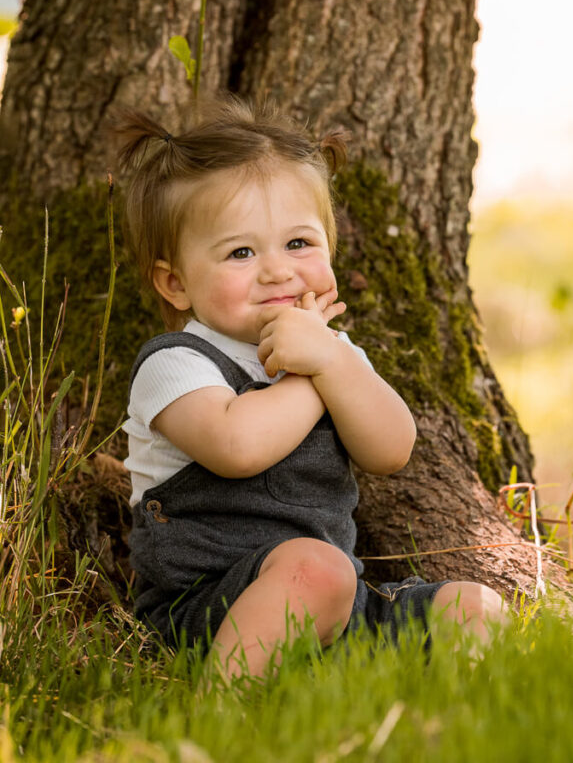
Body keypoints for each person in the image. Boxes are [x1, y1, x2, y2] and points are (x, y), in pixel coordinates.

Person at [116, 97, 505, 679]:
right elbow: (238, 446)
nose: (277, 270)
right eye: (241, 252)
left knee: (478, 607)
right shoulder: (176, 364)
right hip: (207, 609)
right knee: (319, 570)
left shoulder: (333, 355)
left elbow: (392, 449)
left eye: (298, 244)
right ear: (176, 284)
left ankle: (444, 719)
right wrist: (312, 372)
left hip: (339, 607)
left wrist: (331, 360)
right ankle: (221, 712)